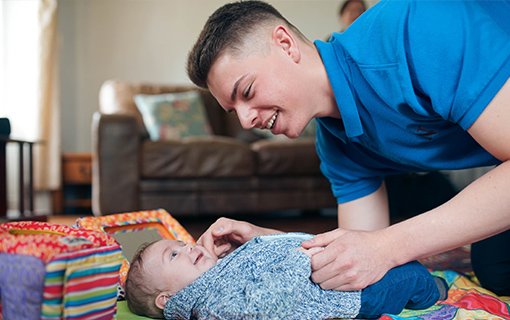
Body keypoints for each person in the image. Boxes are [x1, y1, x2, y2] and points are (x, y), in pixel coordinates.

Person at [187, 0, 510, 295]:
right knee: (495, 267)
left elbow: (381, 246)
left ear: (285, 44)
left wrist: (390, 245)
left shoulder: (415, 30)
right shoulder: (335, 144)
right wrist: (267, 241)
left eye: (247, 91)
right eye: (234, 111)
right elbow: (358, 252)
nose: (245, 121)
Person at [124, 233, 447, 319]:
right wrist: (299, 261)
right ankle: (434, 290)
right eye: (174, 254)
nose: (187, 246)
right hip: (347, 292)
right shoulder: (212, 307)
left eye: (181, 243)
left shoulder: (212, 281)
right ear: (167, 299)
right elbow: (267, 303)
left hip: (324, 260)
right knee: (409, 277)